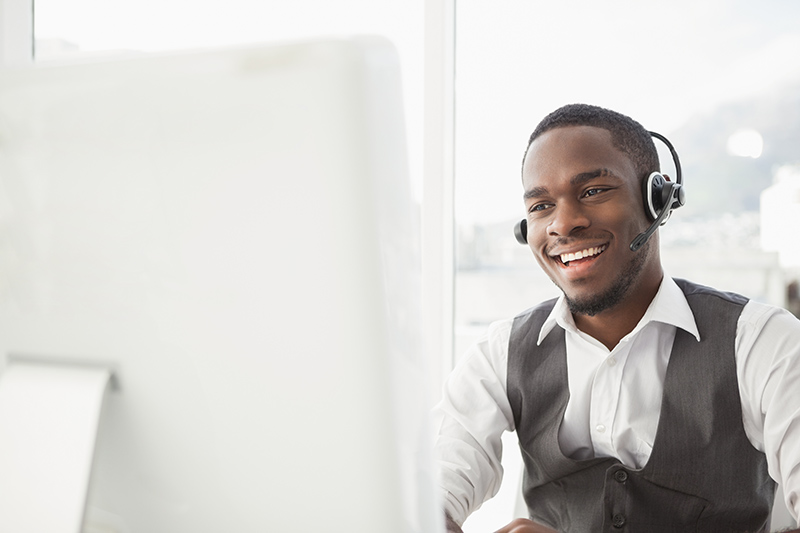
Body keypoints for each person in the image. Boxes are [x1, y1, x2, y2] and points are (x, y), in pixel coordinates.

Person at [434, 104, 800, 533]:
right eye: (541, 206)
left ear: (657, 201)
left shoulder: (762, 342)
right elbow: (424, 497)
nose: (563, 224)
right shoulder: (500, 353)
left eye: (593, 191)